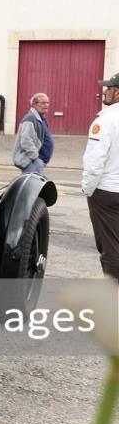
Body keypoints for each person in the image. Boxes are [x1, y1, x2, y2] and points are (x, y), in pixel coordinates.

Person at [83, 73, 119, 279]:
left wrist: (88, 189)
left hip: (107, 191)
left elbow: (95, 162)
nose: (104, 92)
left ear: (118, 93)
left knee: (110, 247)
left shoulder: (105, 121)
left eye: (109, 88)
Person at [13, 93, 51, 175]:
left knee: (34, 182)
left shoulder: (40, 118)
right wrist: (35, 157)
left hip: (36, 162)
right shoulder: (30, 118)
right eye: (43, 103)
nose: (46, 105)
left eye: (47, 103)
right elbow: (26, 141)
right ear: (34, 104)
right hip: (31, 162)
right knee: (32, 182)